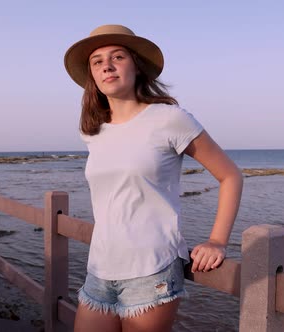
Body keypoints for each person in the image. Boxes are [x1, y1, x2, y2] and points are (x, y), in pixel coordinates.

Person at [64, 24, 243, 332]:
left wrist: (217, 241)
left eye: (117, 56)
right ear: (92, 75)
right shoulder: (92, 131)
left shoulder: (170, 119)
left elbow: (231, 176)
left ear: (136, 66)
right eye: (97, 61)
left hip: (152, 270)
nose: (106, 65)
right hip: (99, 269)